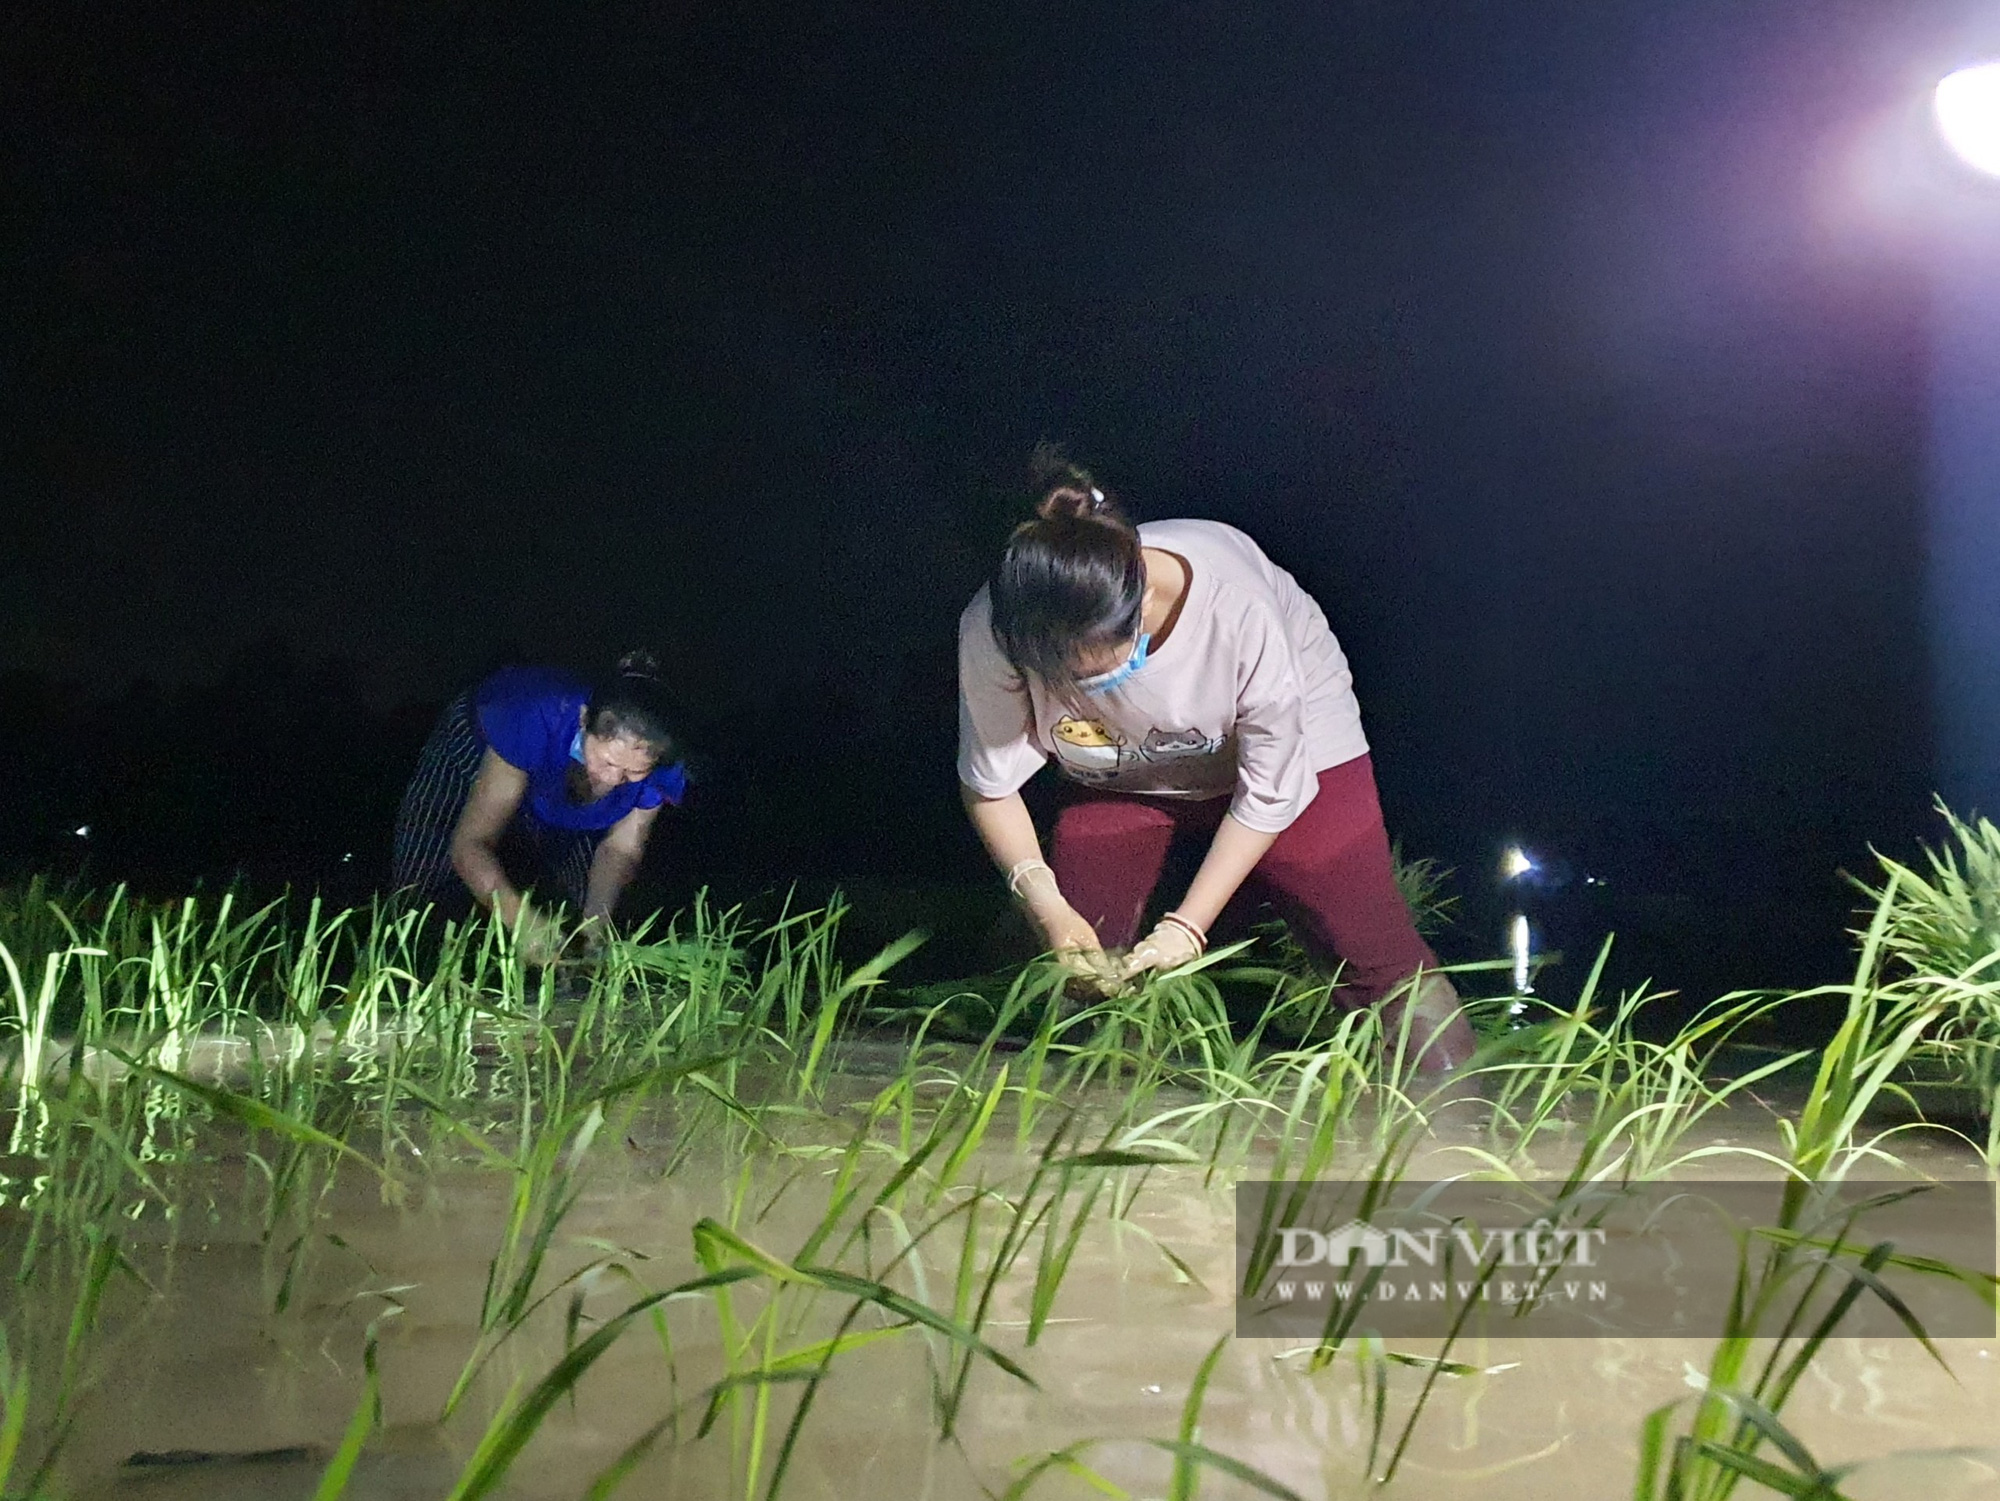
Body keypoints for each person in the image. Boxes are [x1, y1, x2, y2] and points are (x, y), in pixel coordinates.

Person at [956, 451, 1475, 1072]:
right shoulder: (994, 627)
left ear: (1140, 598)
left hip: (1291, 758)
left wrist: (1186, 928)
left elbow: (1271, 793)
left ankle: (1457, 1120)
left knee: (1370, 949)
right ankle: (1077, 1130)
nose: (1075, 681)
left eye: (1094, 665)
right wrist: (1051, 912)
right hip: (1118, 770)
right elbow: (989, 784)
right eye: (1059, 671)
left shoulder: (1237, 607)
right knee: (1081, 964)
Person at [392, 652, 688, 960]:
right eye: (608, 761)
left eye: (633, 772)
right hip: (485, 741)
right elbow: (470, 843)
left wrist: (594, 929)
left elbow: (621, 850)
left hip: (559, 776)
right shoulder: (531, 714)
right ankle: (410, 959)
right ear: (584, 721)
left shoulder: (666, 763)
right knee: (422, 884)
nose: (614, 779)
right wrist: (521, 923)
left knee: (576, 902)